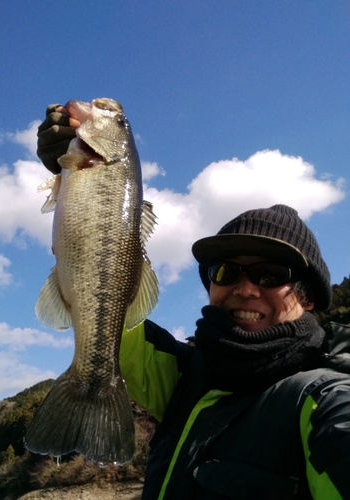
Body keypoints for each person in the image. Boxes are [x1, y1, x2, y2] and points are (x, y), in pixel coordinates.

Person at [36, 105, 350, 499]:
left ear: (308, 298)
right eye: (226, 271)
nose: (246, 288)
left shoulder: (325, 399)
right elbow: (119, 324)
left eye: (272, 276)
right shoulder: (186, 378)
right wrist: (66, 177)